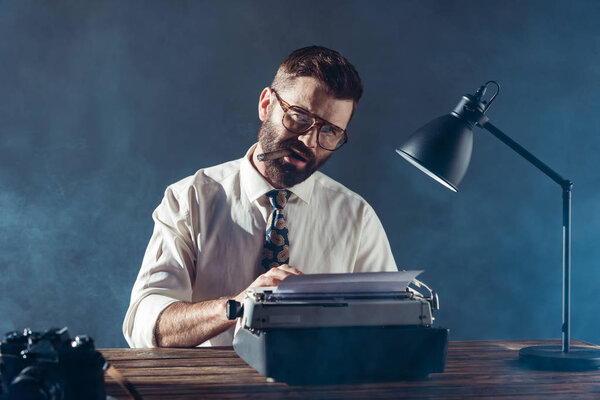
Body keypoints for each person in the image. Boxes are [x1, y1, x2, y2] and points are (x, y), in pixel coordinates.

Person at [123, 46, 398, 348]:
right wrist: (240, 305)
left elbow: (394, 328)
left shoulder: (356, 217)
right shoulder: (189, 199)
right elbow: (145, 326)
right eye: (299, 116)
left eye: (330, 131)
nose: (309, 141)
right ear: (267, 104)